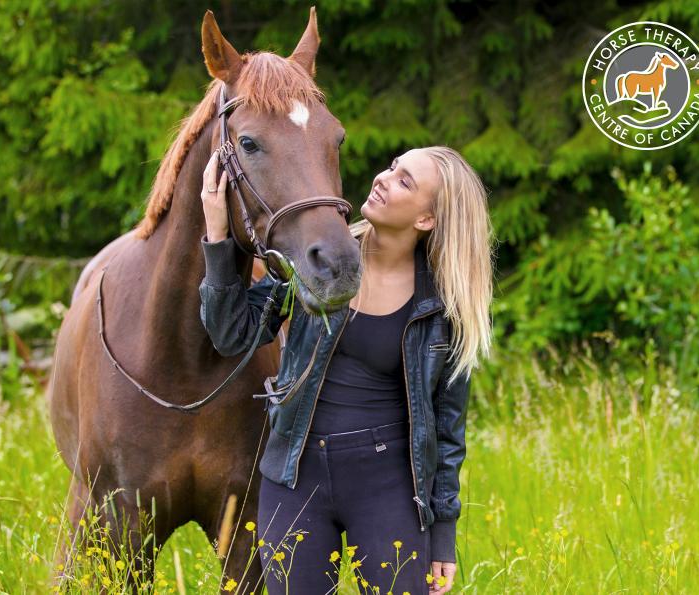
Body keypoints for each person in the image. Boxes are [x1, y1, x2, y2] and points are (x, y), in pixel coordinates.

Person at [199, 146, 494, 594]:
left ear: (426, 220)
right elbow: (232, 335)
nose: (383, 178)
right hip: (295, 475)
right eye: (393, 166)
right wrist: (218, 237)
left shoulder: (442, 307)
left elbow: (448, 430)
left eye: (404, 182)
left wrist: (443, 538)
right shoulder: (315, 261)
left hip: (387, 484)